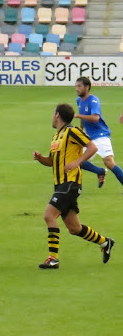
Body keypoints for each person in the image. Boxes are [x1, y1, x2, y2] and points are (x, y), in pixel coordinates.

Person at [32, 103, 115, 269]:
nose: (52, 116)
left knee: (49, 215)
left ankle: (53, 258)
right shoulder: (57, 136)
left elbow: (93, 147)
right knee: (74, 228)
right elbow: (52, 161)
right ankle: (105, 242)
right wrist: (41, 158)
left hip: (70, 183)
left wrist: (77, 162)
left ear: (57, 115)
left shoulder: (72, 131)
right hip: (60, 184)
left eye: (53, 113)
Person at [73, 76, 123, 189]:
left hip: (101, 135)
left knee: (109, 162)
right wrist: (81, 131)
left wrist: (76, 115)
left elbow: (95, 118)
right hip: (90, 137)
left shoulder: (93, 100)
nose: (77, 89)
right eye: (76, 86)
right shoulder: (79, 101)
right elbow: (83, 117)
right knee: (78, 159)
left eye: (79, 86)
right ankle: (99, 171)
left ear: (87, 87)